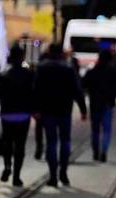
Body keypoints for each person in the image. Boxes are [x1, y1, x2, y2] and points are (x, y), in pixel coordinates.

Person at [33, 43, 87, 187]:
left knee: (51, 143)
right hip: (64, 110)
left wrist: (36, 109)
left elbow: (36, 90)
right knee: (65, 141)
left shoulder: (42, 67)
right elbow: (77, 89)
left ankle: (53, 175)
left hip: (48, 110)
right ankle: (63, 171)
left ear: (50, 51)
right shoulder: (68, 68)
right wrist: (83, 109)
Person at [0, 44, 34, 186]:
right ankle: (16, 176)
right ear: (21, 58)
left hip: (7, 115)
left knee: (7, 143)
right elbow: (33, 95)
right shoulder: (29, 75)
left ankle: (7, 166)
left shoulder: (2, 75)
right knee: (20, 146)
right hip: (23, 115)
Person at [83, 49, 116, 162]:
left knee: (95, 130)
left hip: (95, 104)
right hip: (107, 104)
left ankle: (95, 152)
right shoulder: (113, 72)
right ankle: (104, 151)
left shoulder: (93, 71)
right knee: (107, 130)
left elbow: (83, 84)